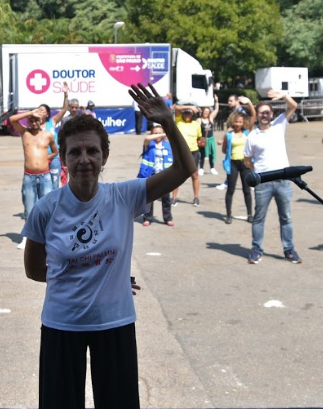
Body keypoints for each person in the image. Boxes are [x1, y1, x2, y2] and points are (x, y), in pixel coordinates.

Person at [22, 83, 194, 408]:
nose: (84, 159)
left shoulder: (124, 197)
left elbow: (185, 169)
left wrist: (168, 122)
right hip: (62, 325)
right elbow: (34, 270)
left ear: (105, 156)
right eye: (74, 151)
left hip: (114, 323)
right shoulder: (45, 209)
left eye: (92, 151)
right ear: (62, 158)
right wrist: (88, 275)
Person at [244, 90, 302, 264]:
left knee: (286, 217)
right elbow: (247, 159)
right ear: (258, 114)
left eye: (267, 112)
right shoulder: (252, 136)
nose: (264, 115)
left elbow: (294, 106)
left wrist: (283, 95)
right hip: (263, 182)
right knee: (259, 218)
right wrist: (258, 171)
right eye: (261, 112)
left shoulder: (279, 124)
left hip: (283, 180)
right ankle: (256, 249)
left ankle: (289, 250)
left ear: (271, 114)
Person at [10, 109, 58, 249]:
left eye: (36, 120)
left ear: (41, 121)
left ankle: (48, 237)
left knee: (47, 208)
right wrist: (30, 113)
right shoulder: (25, 133)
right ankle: (27, 238)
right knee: (29, 208)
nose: (34, 123)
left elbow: (55, 151)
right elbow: (13, 120)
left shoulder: (48, 135)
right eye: (31, 120)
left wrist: (44, 158)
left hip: (45, 176)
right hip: (29, 177)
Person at [216, 95, 255, 190]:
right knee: (232, 161)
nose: (229, 102)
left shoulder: (240, 112)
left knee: (245, 162)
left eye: (231, 101)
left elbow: (251, 119)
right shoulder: (235, 111)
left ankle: (251, 181)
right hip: (234, 139)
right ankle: (229, 182)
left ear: (237, 101)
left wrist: (223, 138)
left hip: (241, 139)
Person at [138, 124, 174, 226]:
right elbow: (147, 137)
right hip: (150, 174)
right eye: (156, 133)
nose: (158, 135)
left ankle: (167, 218)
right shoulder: (148, 144)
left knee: (166, 198)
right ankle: (147, 218)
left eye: (160, 133)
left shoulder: (167, 145)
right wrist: (163, 133)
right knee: (149, 198)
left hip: (164, 175)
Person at [222, 111, 253, 225]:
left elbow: (253, 115)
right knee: (230, 189)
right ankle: (228, 215)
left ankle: (250, 214)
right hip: (233, 163)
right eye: (236, 121)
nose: (238, 124)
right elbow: (224, 149)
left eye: (240, 122)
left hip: (245, 164)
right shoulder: (229, 135)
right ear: (232, 122)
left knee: (247, 190)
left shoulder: (247, 133)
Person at [37, 83, 70, 189]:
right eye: (38, 110)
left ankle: (55, 204)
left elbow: (65, 109)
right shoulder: (34, 125)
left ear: (47, 114)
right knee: (43, 185)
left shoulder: (52, 122)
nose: (40, 112)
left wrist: (65, 94)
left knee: (55, 184)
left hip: (55, 158)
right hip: (41, 158)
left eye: (43, 110)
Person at [172, 104, 202, 206]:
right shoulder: (179, 121)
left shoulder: (196, 124)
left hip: (193, 151)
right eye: (185, 113)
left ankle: (196, 197)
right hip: (180, 152)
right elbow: (177, 108)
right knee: (177, 175)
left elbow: (199, 138)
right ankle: (174, 198)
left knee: (194, 175)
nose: (187, 114)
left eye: (189, 113)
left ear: (192, 114)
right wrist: (190, 107)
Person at [197, 99, 220, 176]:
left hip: (211, 139)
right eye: (205, 111)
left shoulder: (210, 119)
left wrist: (216, 101)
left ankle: (212, 168)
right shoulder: (199, 120)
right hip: (203, 140)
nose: (206, 113)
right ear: (202, 112)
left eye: (207, 111)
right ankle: (201, 168)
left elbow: (216, 110)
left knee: (211, 154)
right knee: (202, 154)